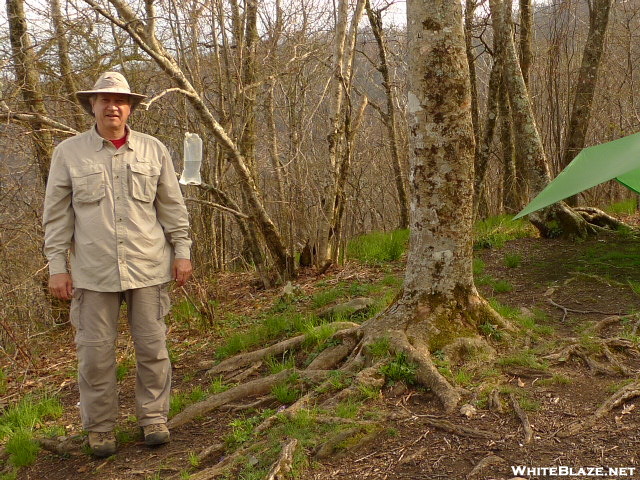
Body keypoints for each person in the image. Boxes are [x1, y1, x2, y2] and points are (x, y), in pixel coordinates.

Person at [43, 71, 193, 457]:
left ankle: (154, 420)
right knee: (94, 356)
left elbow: (172, 207)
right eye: (104, 100)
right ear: (92, 105)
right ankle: (100, 430)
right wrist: (57, 266)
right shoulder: (69, 153)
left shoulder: (153, 150)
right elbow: (57, 217)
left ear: (130, 108)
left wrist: (183, 251)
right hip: (93, 274)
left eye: (120, 101)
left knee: (153, 349)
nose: (113, 106)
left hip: (148, 267)